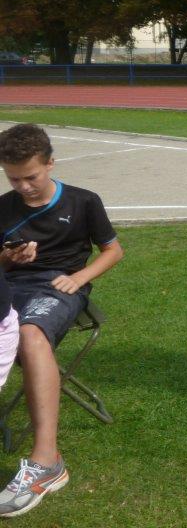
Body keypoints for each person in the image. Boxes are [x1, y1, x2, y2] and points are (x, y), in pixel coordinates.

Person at [0, 123, 124, 516]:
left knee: (30, 333)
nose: (23, 187)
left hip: (60, 286)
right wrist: (8, 258)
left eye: (31, 177)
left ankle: (46, 462)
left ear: (50, 163)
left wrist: (80, 277)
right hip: (11, 283)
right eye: (13, 179)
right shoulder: (3, 206)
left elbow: (113, 251)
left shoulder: (83, 201)